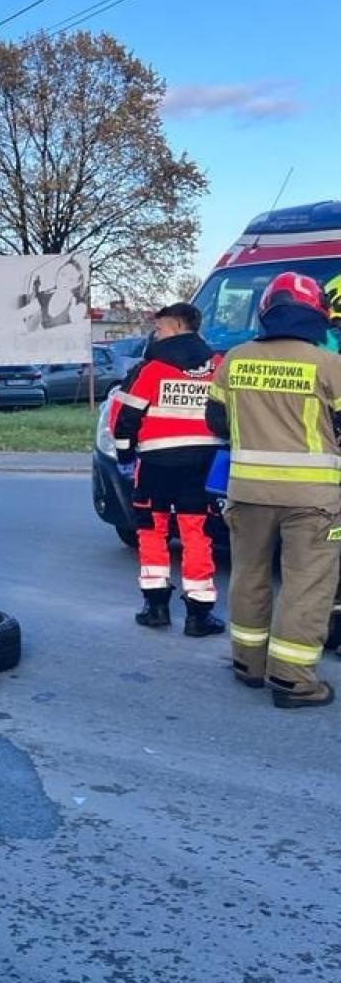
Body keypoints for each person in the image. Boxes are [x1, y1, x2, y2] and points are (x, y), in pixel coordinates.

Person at [205, 272, 341, 708]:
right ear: (316, 315)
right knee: (307, 584)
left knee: (248, 576)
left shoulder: (236, 360)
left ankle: (248, 664)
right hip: (314, 500)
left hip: (247, 492)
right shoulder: (328, 364)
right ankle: (293, 680)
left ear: (266, 312)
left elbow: (215, 423)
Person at [113, 303, 225, 635]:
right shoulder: (218, 366)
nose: (155, 335)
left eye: (159, 329)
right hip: (202, 465)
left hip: (155, 465)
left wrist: (124, 458)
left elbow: (125, 420)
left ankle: (156, 607)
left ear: (176, 327)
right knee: (197, 533)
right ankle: (199, 615)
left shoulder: (151, 368)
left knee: (152, 530)